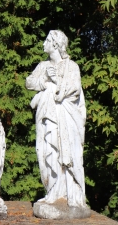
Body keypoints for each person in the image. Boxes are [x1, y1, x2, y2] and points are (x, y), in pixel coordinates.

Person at [26, 30, 87, 208]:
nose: (44, 43)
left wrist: (57, 85)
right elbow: (29, 82)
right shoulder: (43, 66)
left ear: (55, 44)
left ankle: (72, 195)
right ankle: (53, 190)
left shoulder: (72, 66)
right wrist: (45, 82)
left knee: (67, 153)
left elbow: (74, 88)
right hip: (46, 115)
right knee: (46, 152)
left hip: (67, 117)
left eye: (47, 40)